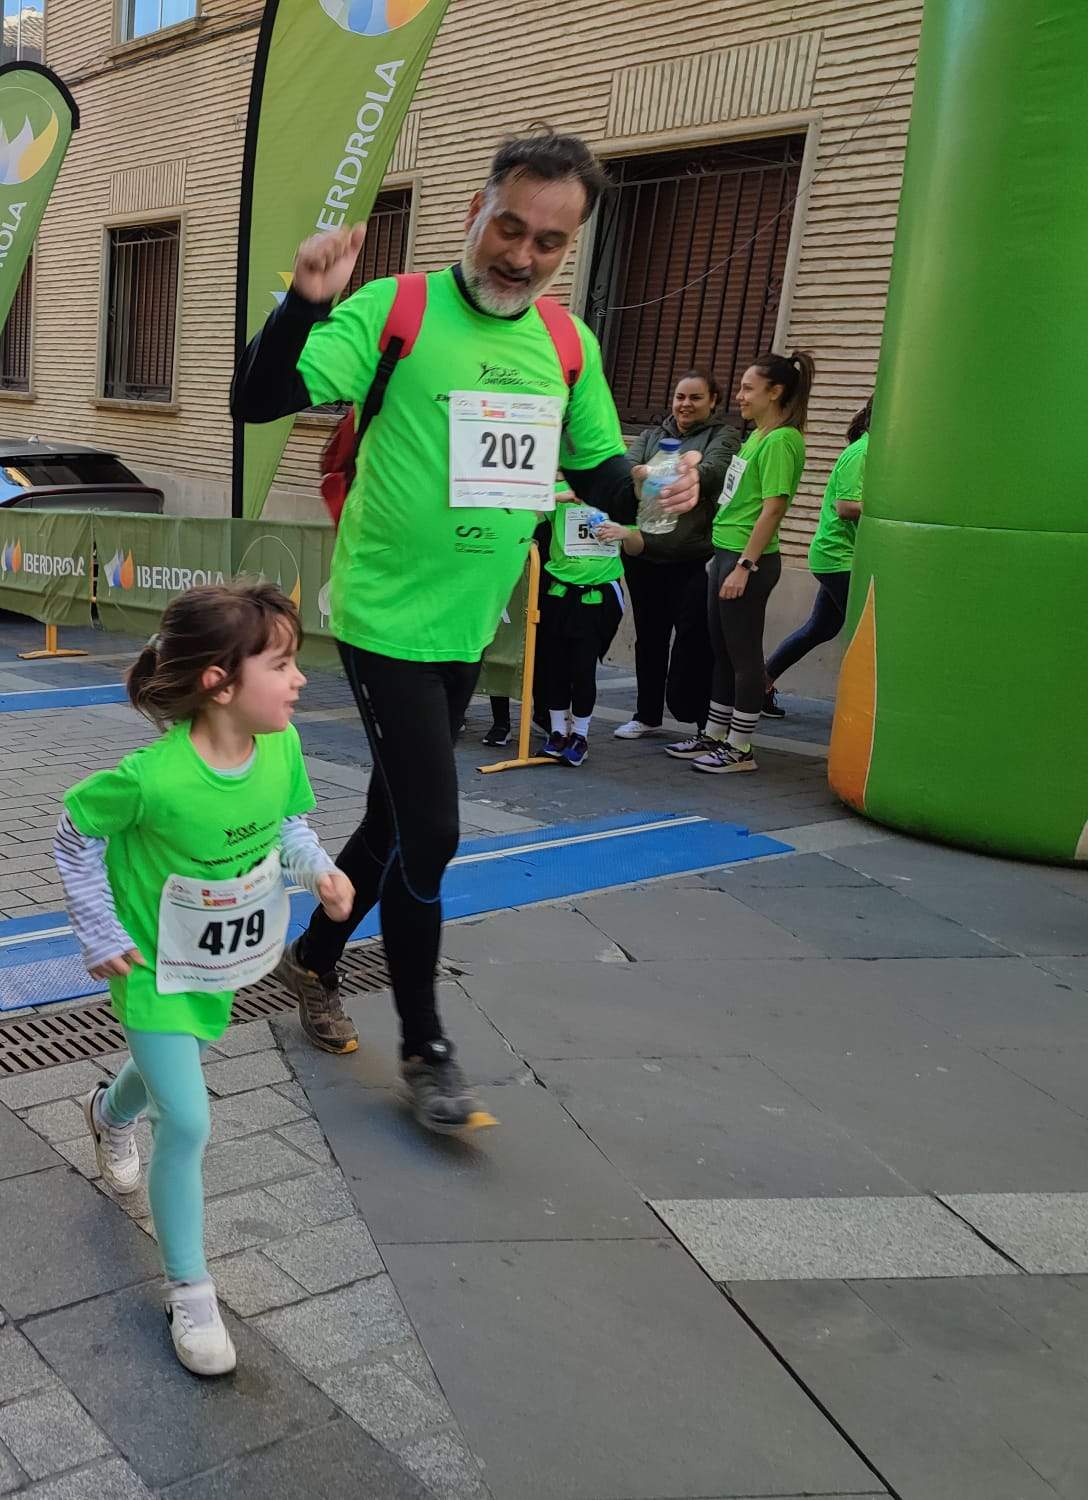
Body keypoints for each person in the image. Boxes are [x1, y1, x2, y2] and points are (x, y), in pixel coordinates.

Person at [231, 130, 699, 1124]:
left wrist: (661, 490)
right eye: (508, 228)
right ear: (473, 212)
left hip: (466, 625)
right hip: (381, 618)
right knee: (435, 833)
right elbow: (256, 398)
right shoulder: (395, 309)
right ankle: (427, 1051)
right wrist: (303, 302)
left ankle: (312, 958)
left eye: (547, 242)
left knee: (396, 819)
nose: (521, 256)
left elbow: (604, 477)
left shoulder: (567, 346)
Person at [55, 580, 351, 1375]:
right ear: (219, 682)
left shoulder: (281, 746)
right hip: (150, 966)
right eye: (282, 663)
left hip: (218, 961)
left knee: (160, 1077)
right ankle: (190, 1291)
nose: (299, 680)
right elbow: (74, 830)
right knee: (188, 1121)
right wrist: (100, 928)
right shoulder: (152, 777)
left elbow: (287, 823)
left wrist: (317, 867)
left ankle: (106, 1113)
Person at [668, 351, 814, 773]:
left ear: (776, 391)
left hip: (747, 561)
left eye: (749, 388)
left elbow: (772, 508)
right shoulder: (757, 436)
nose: (740, 396)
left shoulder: (783, 440)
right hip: (726, 553)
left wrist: (744, 566)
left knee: (744, 655)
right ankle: (714, 734)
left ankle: (741, 746)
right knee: (722, 651)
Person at [614, 371, 739, 740]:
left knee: (694, 638)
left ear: (713, 401)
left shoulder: (724, 435)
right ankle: (647, 714)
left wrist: (655, 475)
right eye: (680, 396)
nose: (685, 404)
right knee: (649, 638)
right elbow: (627, 470)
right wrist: (642, 475)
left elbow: (712, 472)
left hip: (694, 558)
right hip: (643, 555)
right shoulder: (653, 435)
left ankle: (700, 720)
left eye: (695, 398)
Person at [764, 397, 871, 706]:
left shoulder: (871, 451)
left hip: (839, 557)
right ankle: (858, 706)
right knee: (864, 635)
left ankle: (763, 684)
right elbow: (846, 507)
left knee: (820, 628)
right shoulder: (862, 452)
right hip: (839, 558)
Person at [533, 486, 625, 765]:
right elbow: (522, 508)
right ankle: (558, 732)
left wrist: (625, 533)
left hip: (597, 595)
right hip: (559, 592)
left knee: (583, 669)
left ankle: (580, 736)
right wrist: (556, 497)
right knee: (555, 668)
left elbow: (641, 536)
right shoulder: (560, 491)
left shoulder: (616, 489)